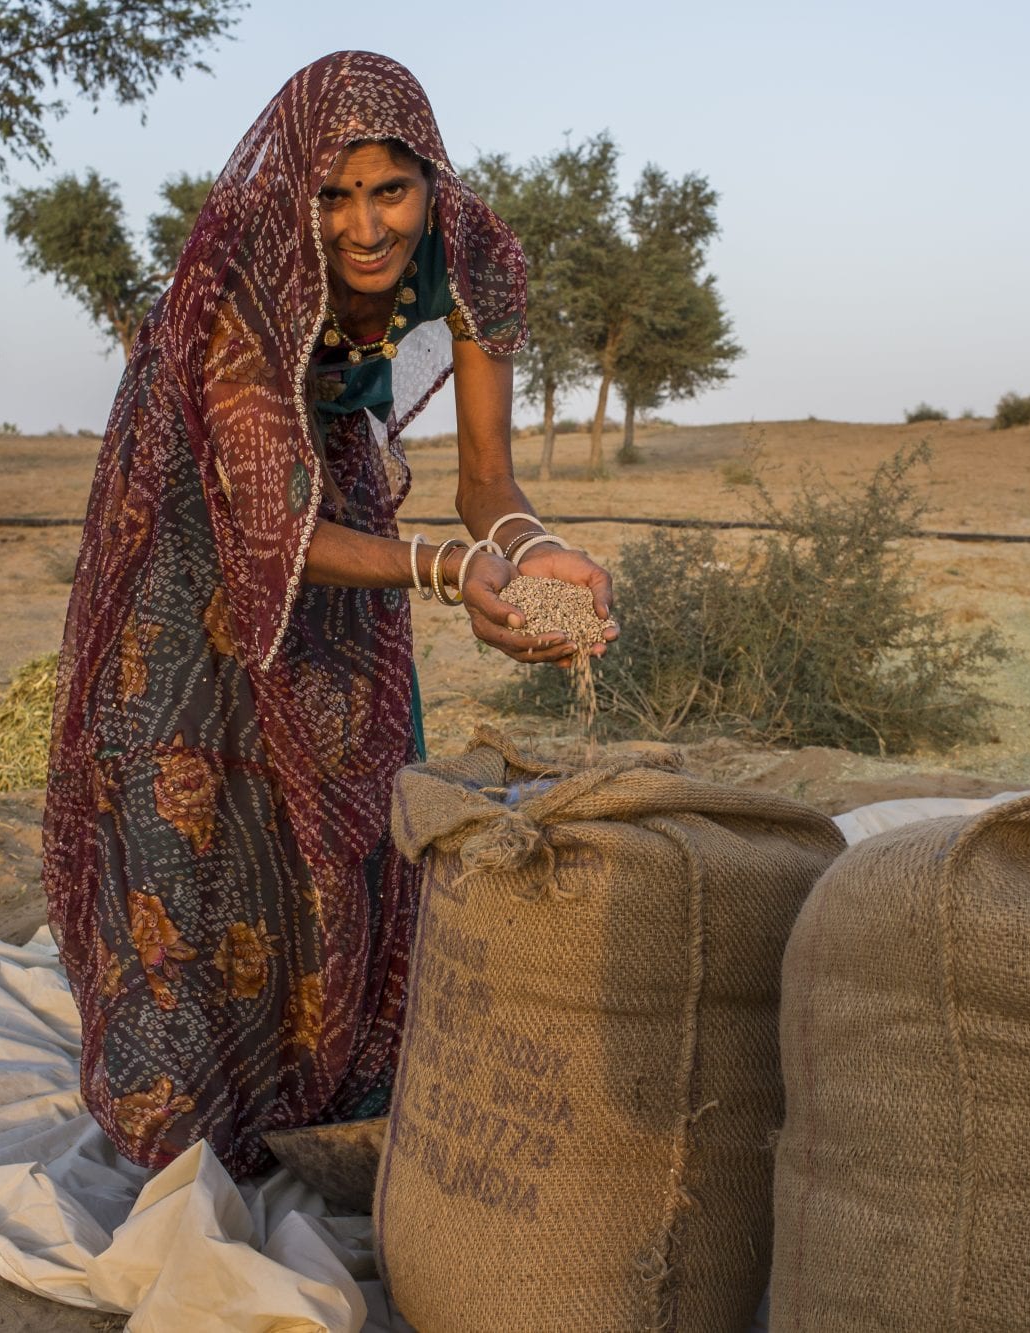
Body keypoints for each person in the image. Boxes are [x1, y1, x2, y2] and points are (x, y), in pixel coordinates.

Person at [40, 50, 614, 1176]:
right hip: (193, 511)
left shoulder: (474, 262)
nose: (363, 226)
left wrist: (536, 550)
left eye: (389, 190)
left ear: (429, 182)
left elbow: (486, 483)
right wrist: (447, 574)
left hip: (337, 495)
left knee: (345, 773)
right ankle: (183, 1106)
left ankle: (328, 1076)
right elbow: (264, 530)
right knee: (187, 781)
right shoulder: (244, 282)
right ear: (297, 195)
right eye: (334, 195)